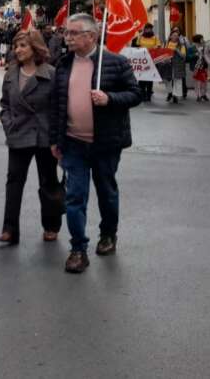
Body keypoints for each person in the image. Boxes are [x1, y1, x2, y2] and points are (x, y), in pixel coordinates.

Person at [49, 14, 140, 274]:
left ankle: (108, 235)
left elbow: (135, 94)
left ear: (91, 36)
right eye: (67, 33)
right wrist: (55, 140)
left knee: (106, 192)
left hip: (106, 143)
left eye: (74, 33)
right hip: (73, 143)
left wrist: (109, 98)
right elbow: (57, 105)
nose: (68, 38)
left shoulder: (116, 62)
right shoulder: (63, 64)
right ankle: (78, 249)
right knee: (75, 197)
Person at [0, 30, 62, 244]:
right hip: (18, 134)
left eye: (23, 45)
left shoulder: (51, 74)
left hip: (44, 136)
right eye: (16, 46)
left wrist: (57, 138)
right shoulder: (11, 74)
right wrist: (8, 123)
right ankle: (9, 229)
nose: (18, 50)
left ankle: (51, 226)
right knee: (14, 182)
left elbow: (58, 109)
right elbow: (5, 104)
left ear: (35, 47)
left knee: (49, 182)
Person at [135, 24, 161, 102]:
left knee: (150, 78)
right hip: (142, 60)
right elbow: (136, 46)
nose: (148, 30)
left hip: (151, 60)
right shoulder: (140, 37)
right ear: (144, 29)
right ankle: (141, 94)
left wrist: (153, 49)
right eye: (147, 29)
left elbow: (158, 46)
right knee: (142, 78)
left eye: (150, 29)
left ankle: (149, 94)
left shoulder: (155, 38)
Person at [162, 28, 187, 104]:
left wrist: (177, 50)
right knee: (167, 80)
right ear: (170, 36)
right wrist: (165, 59)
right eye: (173, 35)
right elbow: (163, 53)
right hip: (168, 64)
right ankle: (170, 93)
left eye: (177, 36)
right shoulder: (167, 44)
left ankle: (176, 96)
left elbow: (183, 56)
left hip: (178, 65)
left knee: (177, 80)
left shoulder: (181, 45)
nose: (175, 37)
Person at [190, 35, 209, 102]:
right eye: (201, 38)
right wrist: (195, 55)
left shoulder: (204, 46)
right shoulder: (192, 47)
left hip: (204, 66)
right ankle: (198, 95)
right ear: (198, 39)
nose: (202, 40)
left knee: (204, 81)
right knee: (197, 82)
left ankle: (204, 94)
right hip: (196, 66)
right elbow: (188, 57)